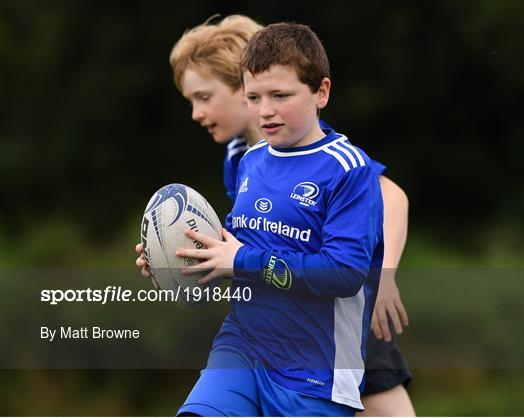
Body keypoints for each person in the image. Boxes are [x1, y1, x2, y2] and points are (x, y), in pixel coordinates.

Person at [136, 15, 414, 416]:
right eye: (257, 97)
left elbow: (389, 200)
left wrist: (384, 275)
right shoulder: (243, 159)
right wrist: (178, 259)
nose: (196, 113)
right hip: (262, 329)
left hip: (336, 326)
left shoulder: (326, 154)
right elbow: (242, 248)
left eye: (204, 97)